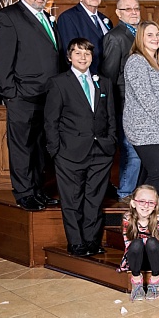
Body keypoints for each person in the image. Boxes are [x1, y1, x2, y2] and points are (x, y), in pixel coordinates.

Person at [0, 0, 64, 211]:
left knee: (40, 147)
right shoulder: (8, 17)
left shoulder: (48, 20)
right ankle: (24, 193)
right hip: (22, 95)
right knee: (22, 147)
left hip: (48, 96)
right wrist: (11, 93)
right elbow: (0, 60)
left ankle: (38, 190)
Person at [44, 37, 116, 257]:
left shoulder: (103, 82)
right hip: (69, 152)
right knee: (72, 199)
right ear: (69, 57)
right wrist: (56, 150)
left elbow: (110, 115)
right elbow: (51, 121)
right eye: (78, 53)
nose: (83, 57)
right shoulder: (59, 82)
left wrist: (111, 140)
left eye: (87, 53)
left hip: (101, 151)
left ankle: (92, 241)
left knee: (94, 199)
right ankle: (76, 242)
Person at [122, 21, 159, 193]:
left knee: (147, 176)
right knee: (157, 173)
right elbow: (147, 98)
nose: (155, 38)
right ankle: (146, 216)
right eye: (149, 35)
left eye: (157, 35)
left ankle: (136, 216)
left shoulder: (158, 63)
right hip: (145, 128)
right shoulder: (136, 61)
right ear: (140, 38)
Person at [101, 0, 142, 201]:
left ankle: (135, 191)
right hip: (124, 102)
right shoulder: (116, 37)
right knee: (130, 150)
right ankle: (125, 193)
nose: (134, 12)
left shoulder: (141, 33)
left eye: (136, 8)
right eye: (128, 9)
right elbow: (109, 75)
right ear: (118, 13)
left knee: (138, 151)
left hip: (141, 103)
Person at [120, 184, 159, 300]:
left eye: (151, 202)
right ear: (133, 203)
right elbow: (128, 244)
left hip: (156, 257)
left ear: (156, 205)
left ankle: (155, 279)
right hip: (136, 259)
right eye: (142, 201)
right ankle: (136, 281)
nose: (146, 206)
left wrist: (147, 243)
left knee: (152, 242)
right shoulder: (127, 218)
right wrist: (142, 244)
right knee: (136, 244)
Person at [55, 0, 112, 72]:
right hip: (85, 75)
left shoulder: (105, 20)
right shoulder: (68, 17)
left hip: (105, 78)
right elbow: (70, 52)